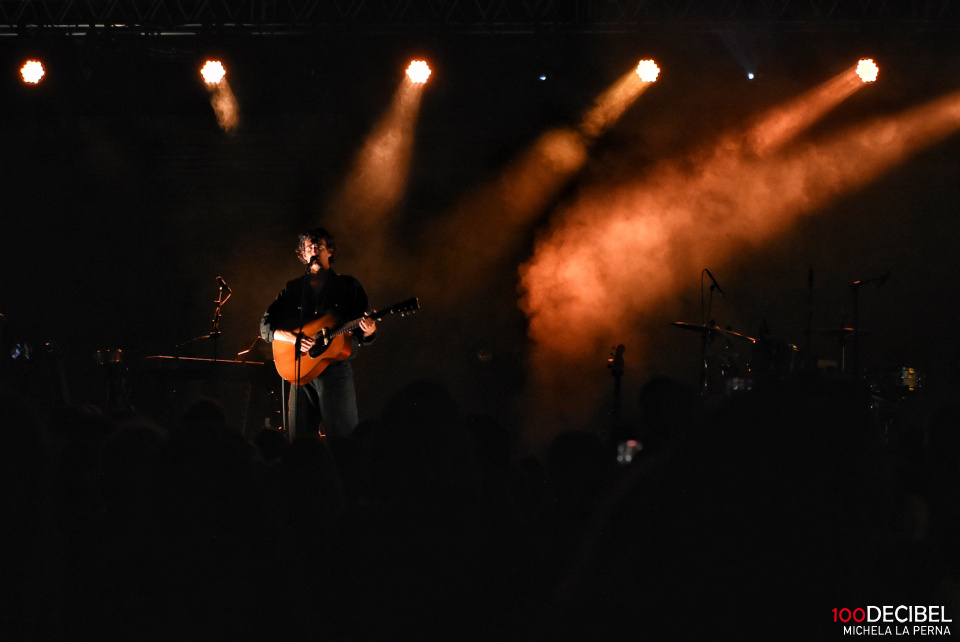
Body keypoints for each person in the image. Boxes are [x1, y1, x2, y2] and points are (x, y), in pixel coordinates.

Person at [260, 228, 376, 441]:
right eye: (309, 248)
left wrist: (369, 331)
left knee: (343, 441)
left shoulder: (348, 285)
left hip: (335, 373)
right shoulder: (293, 288)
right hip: (300, 375)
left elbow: (362, 334)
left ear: (329, 251)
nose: (314, 251)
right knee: (299, 445)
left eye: (319, 247)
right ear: (303, 255)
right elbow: (266, 326)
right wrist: (293, 338)